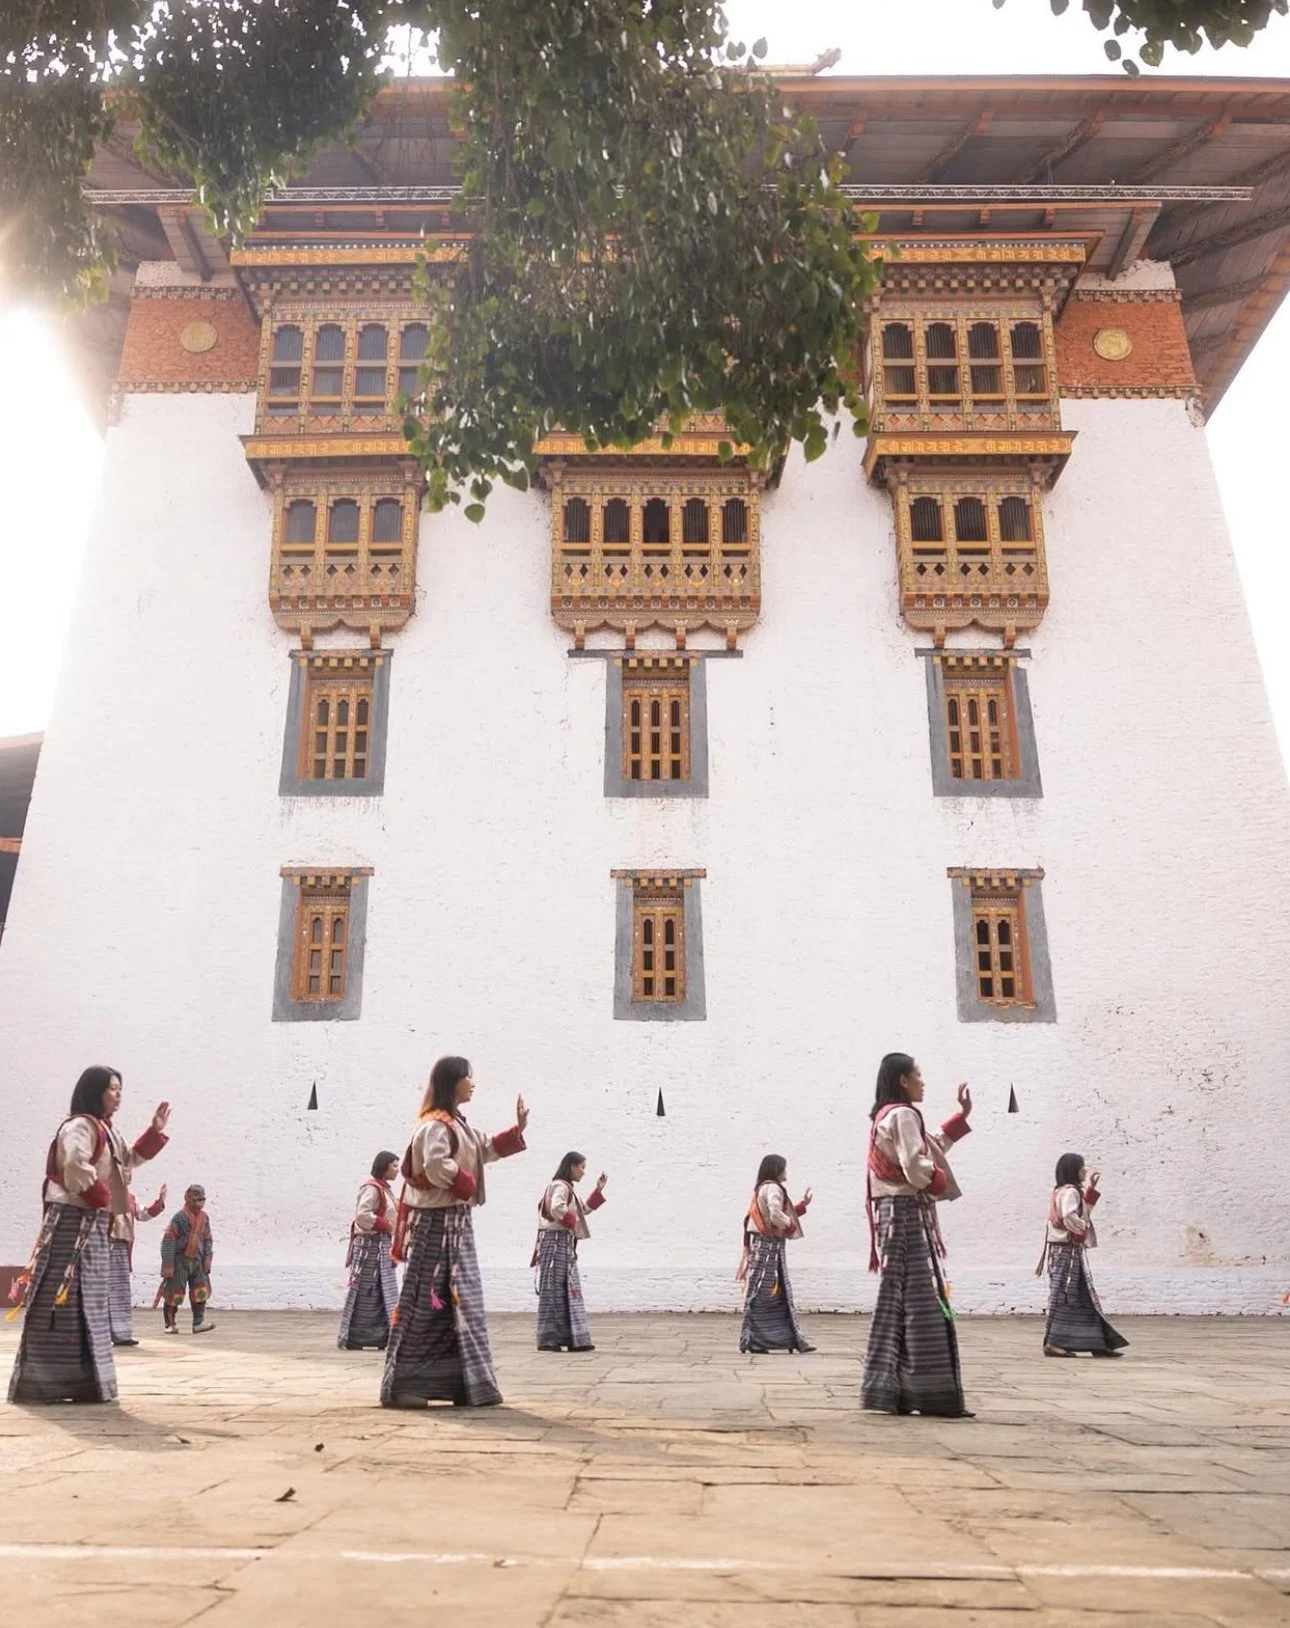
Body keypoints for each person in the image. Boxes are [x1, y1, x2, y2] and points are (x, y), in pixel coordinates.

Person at [8, 1066, 170, 1404]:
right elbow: (74, 1167)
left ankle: (85, 1383)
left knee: (92, 1299)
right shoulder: (79, 1126)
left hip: (94, 1224)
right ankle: (47, 1382)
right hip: (70, 1222)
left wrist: (154, 1133)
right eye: (112, 1088)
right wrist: (103, 1197)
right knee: (62, 1294)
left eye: (119, 1089)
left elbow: (127, 1159)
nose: (118, 1094)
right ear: (93, 1091)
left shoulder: (107, 1131)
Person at [380, 1056, 528, 1409]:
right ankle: (405, 1385)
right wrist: (465, 1184)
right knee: (425, 1302)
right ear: (452, 1083)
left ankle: (459, 1383)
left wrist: (517, 1130)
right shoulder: (435, 1125)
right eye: (467, 1077)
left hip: (456, 1226)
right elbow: (434, 1165)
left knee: (461, 1305)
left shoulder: (458, 1125)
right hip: (435, 1226)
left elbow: (485, 1148)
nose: (473, 1083)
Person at [861, 1052, 973, 1418]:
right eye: (918, 1076)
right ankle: (928, 1393)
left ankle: (892, 1390)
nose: (923, 1082)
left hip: (891, 1213)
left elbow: (927, 1147)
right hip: (907, 1211)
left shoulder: (886, 1115)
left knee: (902, 1297)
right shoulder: (904, 1114)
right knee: (921, 1299)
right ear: (903, 1081)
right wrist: (935, 1181)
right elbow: (916, 1163)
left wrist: (961, 1120)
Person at [1037, 1154, 1128, 1359]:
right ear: (1073, 1170)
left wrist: (1091, 1191)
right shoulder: (1070, 1192)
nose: (1085, 1171)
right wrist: (1081, 1230)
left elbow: (1081, 1211)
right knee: (1064, 1295)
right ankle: (1054, 1342)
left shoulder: (1064, 1191)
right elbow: (1070, 1216)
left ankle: (1095, 1342)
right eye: (1081, 1167)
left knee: (1081, 1296)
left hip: (1063, 1250)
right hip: (1066, 1251)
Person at [737, 1155, 815, 1354]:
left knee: (771, 1290)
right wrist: (789, 1225)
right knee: (766, 1291)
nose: (786, 1172)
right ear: (776, 1169)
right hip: (768, 1247)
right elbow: (775, 1213)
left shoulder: (763, 1188)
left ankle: (776, 1339)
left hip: (766, 1246)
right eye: (784, 1168)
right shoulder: (773, 1188)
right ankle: (759, 1340)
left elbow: (776, 1212)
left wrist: (801, 1206)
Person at [534, 1153, 607, 1353]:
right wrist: (572, 1223)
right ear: (572, 1167)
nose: (583, 1172)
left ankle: (570, 1339)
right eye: (582, 1167)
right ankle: (550, 1339)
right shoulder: (560, 1186)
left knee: (566, 1289)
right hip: (556, 1243)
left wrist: (598, 1190)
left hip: (562, 1244)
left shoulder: (567, 1189)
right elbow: (557, 1207)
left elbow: (582, 1209)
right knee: (554, 1289)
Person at [339, 1151, 400, 1352]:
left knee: (384, 1293)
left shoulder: (386, 1191)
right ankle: (357, 1336)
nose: (397, 1170)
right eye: (394, 1166)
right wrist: (384, 1224)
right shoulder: (372, 1190)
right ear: (383, 1167)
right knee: (366, 1292)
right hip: (370, 1248)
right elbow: (362, 1216)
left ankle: (382, 1336)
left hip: (382, 1248)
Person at [109, 1184, 167, 1347]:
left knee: (120, 1293)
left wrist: (158, 1203)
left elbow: (144, 1214)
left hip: (121, 1248)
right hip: (103, 1247)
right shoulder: (101, 1195)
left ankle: (121, 1334)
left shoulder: (130, 1199)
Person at [159, 1185, 214, 1334]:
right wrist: (168, 1265)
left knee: (200, 1291)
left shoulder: (204, 1218)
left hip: (198, 1261)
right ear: (188, 1198)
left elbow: (208, 1239)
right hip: (180, 1261)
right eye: (196, 1197)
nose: (199, 1201)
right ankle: (170, 1324)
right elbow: (169, 1240)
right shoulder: (180, 1217)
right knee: (175, 1292)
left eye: (201, 1198)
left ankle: (198, 1322)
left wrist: (208, 1258)